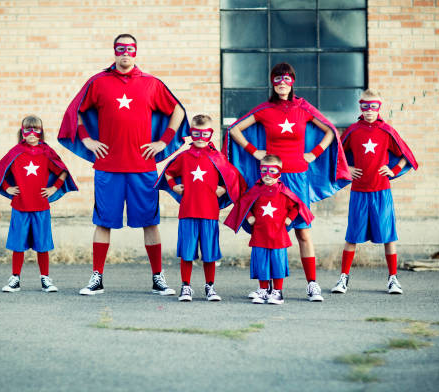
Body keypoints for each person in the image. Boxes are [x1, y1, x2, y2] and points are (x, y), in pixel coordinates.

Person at [58, 33, 189, 296]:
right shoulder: (99, 82)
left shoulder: (151, 84)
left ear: (136, 52)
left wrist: (163, 141)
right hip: (108, 167)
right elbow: (77, 111)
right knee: (103, 222)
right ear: (114, 52)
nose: (125, 53)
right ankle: (97, 277)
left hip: (143, 167)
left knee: (150, 223)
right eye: (121, 49)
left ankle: (157, 277)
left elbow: (178, 110)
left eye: (130, 49)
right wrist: (87, 139)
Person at [223, 62, 351, 302]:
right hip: (270, 180)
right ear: (272, 82)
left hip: (298, 177)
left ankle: (312, 284)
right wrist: (253, 151)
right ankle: (268, 288)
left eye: (287, 79)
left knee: (303, 232)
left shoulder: (303, 108)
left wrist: (313, 154)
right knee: (267, 231)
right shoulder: (265, 109)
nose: (282, 83)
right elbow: (234, 130)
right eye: (277, 79)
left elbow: (331, 131)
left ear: (293, 82)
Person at [331, 89, 418, 295]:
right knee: (352, 236)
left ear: (379, 107)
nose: (369, 110)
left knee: (388, 236)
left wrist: (394, 170)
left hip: (381, 192)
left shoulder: (386, 131)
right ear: (360, 107)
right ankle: (343, 278)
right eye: (365, 106)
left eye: (374, 106)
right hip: (359, 192)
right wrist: (347, 169)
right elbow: (337, 155)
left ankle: (393, 279)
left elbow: (406, 154)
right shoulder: (353, 130)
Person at [155, 114, 245, 302]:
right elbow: (169, 173)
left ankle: (210, 287)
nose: (200, 138)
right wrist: (173, 186)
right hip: (188, 212)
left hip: (210, 213)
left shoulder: (217, 157)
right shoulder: (184, 157)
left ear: (210, 134)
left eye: (204, 134)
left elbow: (232, 177)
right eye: (196, 133)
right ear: (191, 134)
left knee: (209, 253)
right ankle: (185, 286)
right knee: (187, 252)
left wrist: (223, 188)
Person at [0, 115, 78, 293]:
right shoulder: (16, 152)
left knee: (42, 245)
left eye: (36, 129)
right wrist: (7, 187)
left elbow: (63, 171)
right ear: (22, 132)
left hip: (41, 207)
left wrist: (54, 188)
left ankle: (45, 279)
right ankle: (15, 279)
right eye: (28, 129)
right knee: (17, 245)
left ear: (41, 132)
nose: (32, 133)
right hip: (20, 206)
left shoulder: (46, 152)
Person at [224, 155, 314, 304]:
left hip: (279, 236)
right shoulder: (256, 190)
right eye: (264, 170)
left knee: (277, 263)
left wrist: (290, 218)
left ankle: (277, 292)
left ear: (279, 173)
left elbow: (296, 206)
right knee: (261, 263)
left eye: (272, 171)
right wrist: (250, 216)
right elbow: (244, 204)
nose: (268, 175)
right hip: (260, 235)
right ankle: (264, 290)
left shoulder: (284, 191)